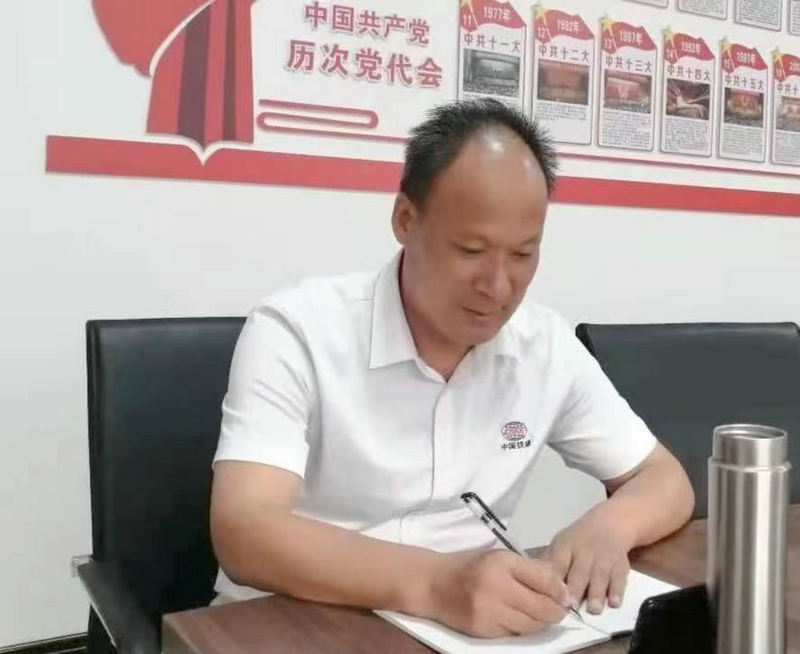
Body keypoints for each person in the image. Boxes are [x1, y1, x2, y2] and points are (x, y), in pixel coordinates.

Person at [210, 99, 695, 638]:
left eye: (522, 255)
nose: (498, 286)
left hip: (467, 632)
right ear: (405, 219)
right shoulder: (298, 331)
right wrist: (436, 583)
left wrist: (608, 527)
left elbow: (664, 479)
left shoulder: (544, 347)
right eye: (470, 250)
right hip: (294, 620)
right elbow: (245, 530)